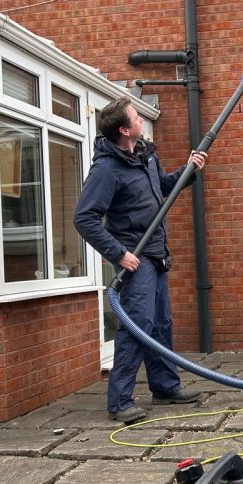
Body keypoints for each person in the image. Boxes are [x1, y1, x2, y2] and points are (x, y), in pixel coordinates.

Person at [74, 96, 207, 423]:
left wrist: (188, 170)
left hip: (157, 253)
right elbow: (84, 218)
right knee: (137, 327)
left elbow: (161, 188)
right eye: (135, 117)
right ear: (123, 129)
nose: (141, 120)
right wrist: (119, 253)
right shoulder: (106, 169)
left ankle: (165, 387)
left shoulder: (145, 156)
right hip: (136, 256)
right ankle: (119, 402)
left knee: (161, 323)